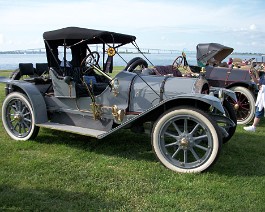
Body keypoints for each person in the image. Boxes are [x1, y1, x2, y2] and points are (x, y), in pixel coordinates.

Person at [244, 64, 265, 132]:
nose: (263, 68)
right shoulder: (263, 75)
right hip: (262, 94)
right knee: (259, 110)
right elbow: (258, 82)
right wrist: (252, 75)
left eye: (264, 67)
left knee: (259, 110)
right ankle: (253, 127)